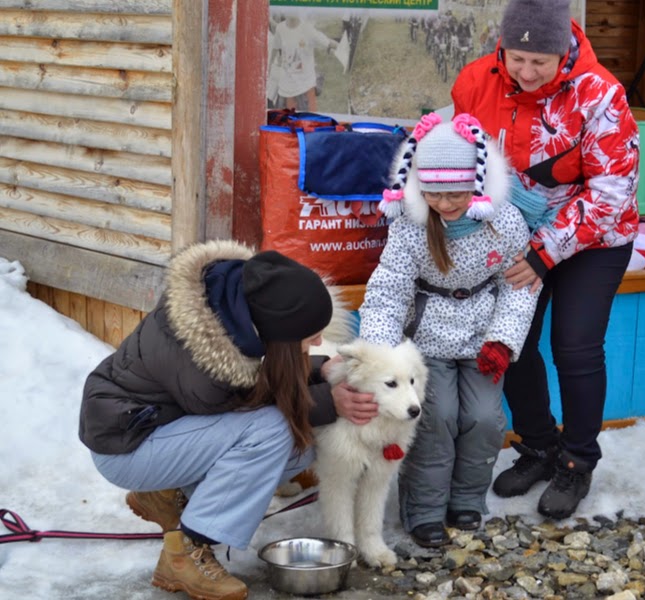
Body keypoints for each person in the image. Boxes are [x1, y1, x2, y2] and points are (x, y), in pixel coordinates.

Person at [79, 240, 376, 600]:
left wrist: (318, 372)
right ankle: (186, 553)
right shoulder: (207, 358)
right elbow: (253, 405)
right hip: (127, 448)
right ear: (277, 329)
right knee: (276, 432)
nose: (316, 341)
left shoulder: (235, 310)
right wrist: (329, 400)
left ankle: (164, 493)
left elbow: (259, 384)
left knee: (300, 449)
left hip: (157, 431)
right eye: (309, 335)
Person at [451, 0, 640, 520]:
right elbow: (466, 159)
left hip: (595, 237)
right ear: (503, 48)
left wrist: (544, 252)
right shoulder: (473, 82)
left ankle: (577, 461)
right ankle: (538, 445)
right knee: (511, 341)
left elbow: (611, 191)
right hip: (514, 234)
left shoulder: (601, 94)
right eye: (517, 59)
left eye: (542, 62)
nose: (528, 73)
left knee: (574, 346)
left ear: (564, 52)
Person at [360, 113, 539, 548]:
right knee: (435, 419)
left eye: (456, 193)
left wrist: (502, 340)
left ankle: (466, 500)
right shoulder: (410, 228)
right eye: (434, 193)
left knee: (483, 419)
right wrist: (384, 354)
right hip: (425, 345)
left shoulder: (506, 221)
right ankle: (423, 510)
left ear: (477, 185)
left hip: (483, 340)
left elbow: (519, 287)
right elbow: (388, 290)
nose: (445, 203)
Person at [270, 13, 338, 112]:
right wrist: (269, 67)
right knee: (285, 123)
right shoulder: (280, 28)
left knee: (307, 123)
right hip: (286, 89)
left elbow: (328, 42)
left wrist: (343, 49)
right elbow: (275, 48)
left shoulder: (308, 29)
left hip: (305, 89)